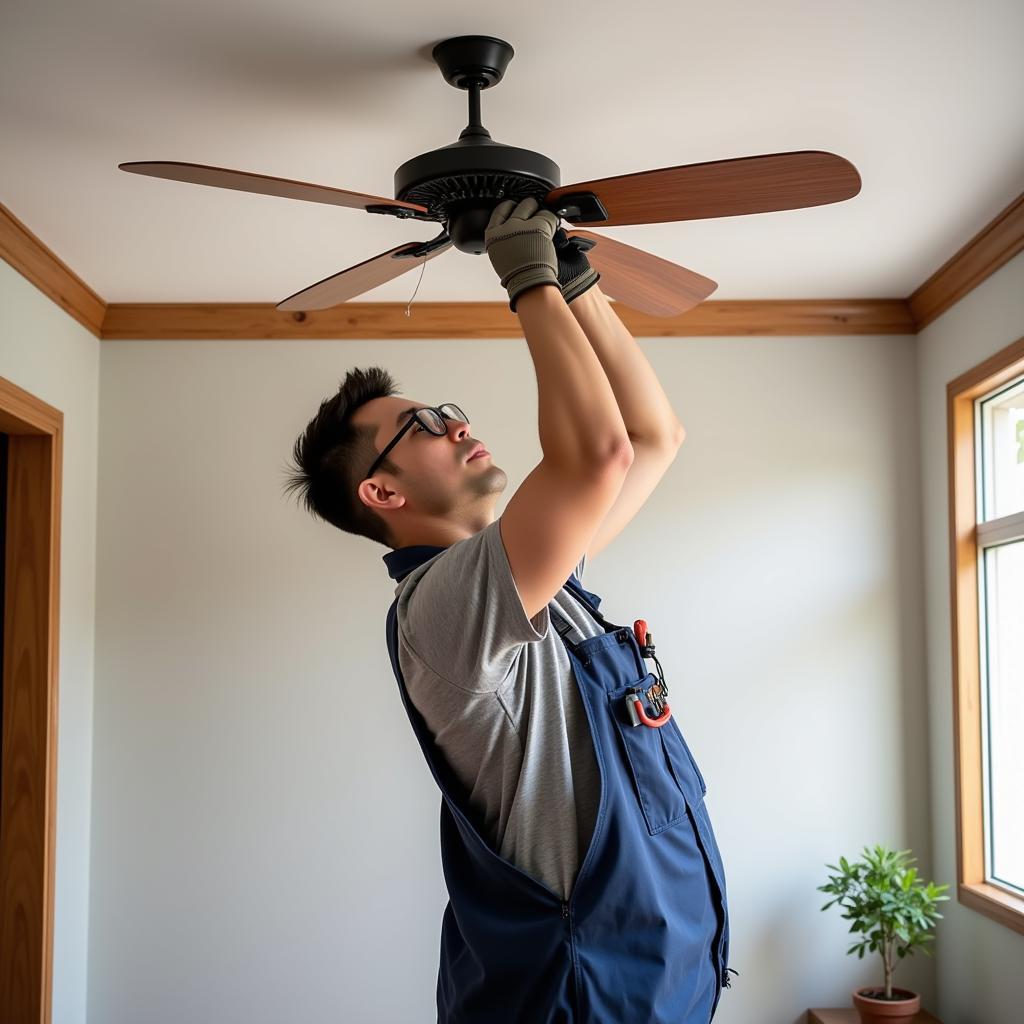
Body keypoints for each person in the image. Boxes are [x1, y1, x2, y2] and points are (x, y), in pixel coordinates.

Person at [284, 197, 735, 1022]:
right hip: (578, 999)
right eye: (425, 425)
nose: (457, 426)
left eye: (450, 411)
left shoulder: (545, 587)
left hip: (650, 984)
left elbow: (652, 435)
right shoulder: (443, 612)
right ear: (381, 491)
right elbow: (600, 455)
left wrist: (576, 283)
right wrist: (525, 276)